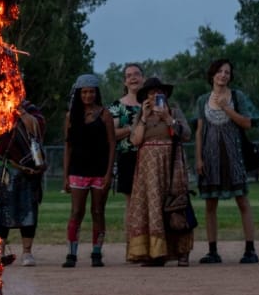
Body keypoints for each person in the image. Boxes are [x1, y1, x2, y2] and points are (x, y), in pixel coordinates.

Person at [192, 58, 259, 264]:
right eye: (219, 71)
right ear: (212, 75)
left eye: (227, 72)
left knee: (243, 201)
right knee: (210, 204)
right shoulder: (203, 100)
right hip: (210, 159)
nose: (223, 75)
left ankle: (250, 249)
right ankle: (212, 251)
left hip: (234, 157)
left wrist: (226, 108)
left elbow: (247, 123)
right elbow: (199, 131)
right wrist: (198, 158)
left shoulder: (237, 96)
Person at [125, 77, 194, 266]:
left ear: (165, 94)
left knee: (176, 205)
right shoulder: (141, 115)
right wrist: (144, 118)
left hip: (172, 165)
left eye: (159, 92)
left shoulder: (174, 111)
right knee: (152, 207)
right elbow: (135, 141)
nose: (155, 95)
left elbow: (186, 135)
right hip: (148, 170)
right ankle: (155, 253)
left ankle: (182, 251)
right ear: (146, 97)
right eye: (151, 93)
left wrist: (168, 119)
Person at [62, 74, 116, 268]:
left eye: (91, 92)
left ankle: (96, 252)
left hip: (100, 170)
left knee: (98, 211)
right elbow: (68, 147)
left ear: (96, 93)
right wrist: (65, 176)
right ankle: (71, 253)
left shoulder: (105, 115)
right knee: (77, 211)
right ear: (79, 93)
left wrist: (109, 173)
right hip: (78, 170)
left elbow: (112, 144)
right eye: (84, 92)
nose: (88, 95)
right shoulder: (71, 116)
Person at [0, 100, 46, 267]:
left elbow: (36, 129)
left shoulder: (30, 109)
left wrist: (20, 112)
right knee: (0, 211)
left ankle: (27, 252)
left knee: (28, 208)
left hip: (26, 166)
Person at [108, 63, 145, 198]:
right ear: (125, 82)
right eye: (129, 76)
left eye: (136, 74)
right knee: (131, 199)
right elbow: (111, 134)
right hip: (127, 156)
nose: (133, 78)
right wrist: (132, 128)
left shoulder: (152, 103)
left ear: (143, 78)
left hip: (150, 155)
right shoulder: (117, 106)